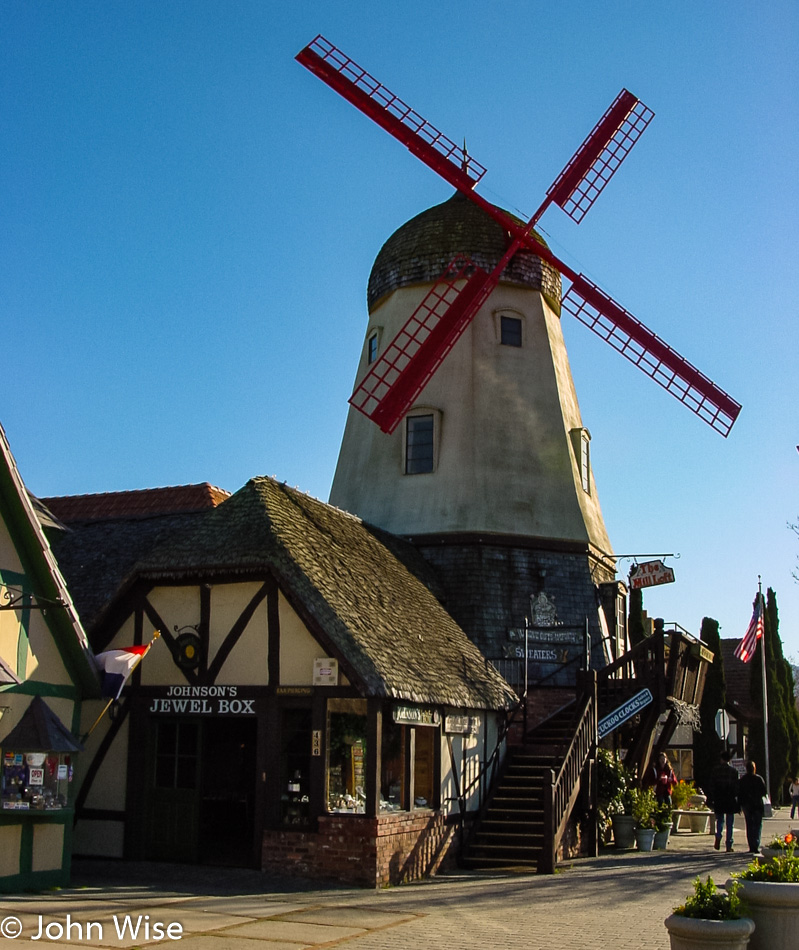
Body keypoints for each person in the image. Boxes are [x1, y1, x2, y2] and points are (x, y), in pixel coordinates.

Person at [709, 750, 739, 852]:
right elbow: (736, 787)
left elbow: (712, 785)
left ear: (721, 759)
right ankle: (729, 844)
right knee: (730, 823)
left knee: (720, 820)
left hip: (719, 798)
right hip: (730, 799)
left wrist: (713, 797)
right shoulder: (734, 772)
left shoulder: (715, 771)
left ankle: (718, 835)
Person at [738, 759, 767, 853]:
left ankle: (751, 845)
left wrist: (740, 805)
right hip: (757, 805)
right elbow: (764, 792)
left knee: (749, 825)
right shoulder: (759, 779)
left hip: (747, 805)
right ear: (754, 768)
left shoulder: (743, 780)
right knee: (757, 825)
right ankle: (756, 844)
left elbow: (739, 793)